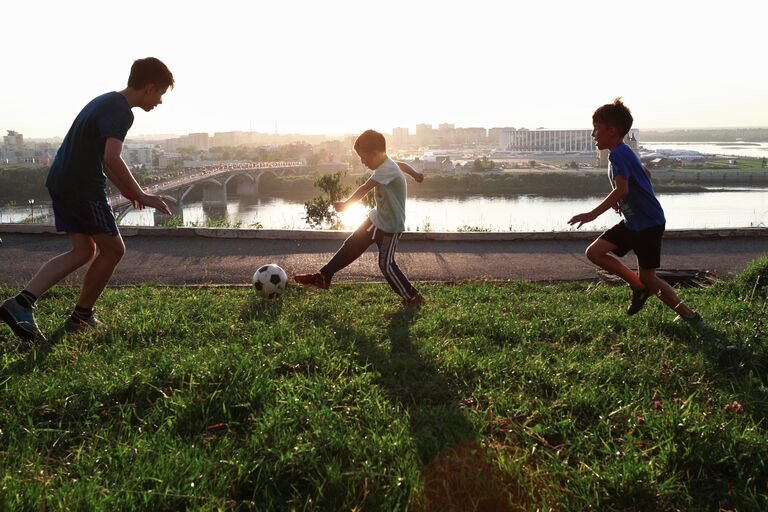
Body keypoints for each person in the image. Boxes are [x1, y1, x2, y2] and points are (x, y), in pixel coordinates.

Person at [0, 57, 174, 342]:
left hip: (62, 180)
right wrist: (140, 194)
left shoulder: (106, 101)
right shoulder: (121, 112)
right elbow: (111, 159)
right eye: (160, 95)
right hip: (82, 186)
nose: (160, 102)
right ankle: (80, 316)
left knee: (83, 251)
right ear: (149, 87)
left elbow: (107, 163)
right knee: (114, 250)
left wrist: (131, 192)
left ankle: (21, 304)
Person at [568, 98, 704, 330]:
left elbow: (623, 187)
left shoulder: (618, 155)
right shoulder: (624, 151)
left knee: (650, 277)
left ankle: (690, 316)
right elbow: (645, 174)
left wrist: (592, 214)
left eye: (597, 129)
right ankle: (638, 287)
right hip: (634, 222)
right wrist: (624, 200)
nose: (593, 135)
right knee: (595, 253)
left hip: (648, 224)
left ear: (612, 130)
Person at [294, 129, 426, 307]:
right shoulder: (388, 163)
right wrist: (415, 174)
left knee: (386, 265)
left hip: (390, 227)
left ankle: (413, 298)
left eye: (364, 158)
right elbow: (401, 164)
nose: (363, 162)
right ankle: (324, 276)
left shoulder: (385, 170)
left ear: (375, 153)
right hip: (377, 219)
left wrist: (347, 204)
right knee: (352, 245)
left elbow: (365, 187)